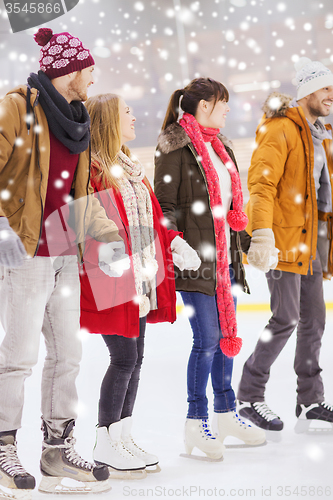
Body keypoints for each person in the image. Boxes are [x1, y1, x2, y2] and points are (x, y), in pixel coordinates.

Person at [0, 27, 126, 496]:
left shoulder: (76, 120)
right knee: (18, 358)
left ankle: (56, 450)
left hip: (63, 254)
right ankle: (3, 446)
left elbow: (79, 194)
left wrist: (108, 239)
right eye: (89, 70)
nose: (93, 79)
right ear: (69, 70)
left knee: (68, 355)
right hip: (25, 251)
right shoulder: (17, 107)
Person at [154, 77, 266, 460]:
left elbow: (230, 213)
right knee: (206, 341)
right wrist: (174, 242)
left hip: (226, 263)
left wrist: (251, 246)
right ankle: (195, 420)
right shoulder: (174, 148)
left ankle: (225, 413)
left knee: (226, 342)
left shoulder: (223, 149)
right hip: (195, 262)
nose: (228, 110)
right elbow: (164, 208)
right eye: (223, 103)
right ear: (204, 106)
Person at [80, 93, 192, 477]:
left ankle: (122, 435)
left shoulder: (129, 167)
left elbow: (155, 217)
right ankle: (105, 440)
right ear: (110, 120)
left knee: (136, 359)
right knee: (124, 357)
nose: (133, 115)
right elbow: (86, 224)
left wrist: (173, 241)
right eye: (126, 111)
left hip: (141, 277)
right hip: (110, 278)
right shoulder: (93, 170)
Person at [237, 57, 333, 433]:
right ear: (307, 91)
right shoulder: (279, 129)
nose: (331, 95)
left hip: (311, 241)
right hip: (282, 239)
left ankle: (309, 399)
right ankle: (249, 395)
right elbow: (262, 186)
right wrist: (263, 235)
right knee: (286, 318)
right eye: (325, 88)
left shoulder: (320, 132)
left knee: (314, 321)